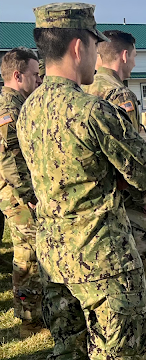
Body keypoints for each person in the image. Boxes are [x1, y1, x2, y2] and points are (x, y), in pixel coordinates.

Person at [18, 3, 146, 358]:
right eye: (95, 47)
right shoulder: (93, 111)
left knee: (68, 351)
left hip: (54, 259)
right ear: (79, 47)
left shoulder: (28, 109)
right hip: (103, 261)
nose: (97, 57)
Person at [82, 30, 146, 357]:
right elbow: (129, 160)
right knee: (136, 282)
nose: (135, 62)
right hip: (127, 205)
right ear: (123, 55)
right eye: (134, 55)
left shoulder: (87, 88)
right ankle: (138, 344)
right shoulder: (120, 97)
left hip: (97, 203)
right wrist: (142, 199)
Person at [0, 47, 45, 338]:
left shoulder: (18, 103)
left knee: (32, 253)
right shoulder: (8, 107)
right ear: (18, 75)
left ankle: (37, 313)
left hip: (20, 192)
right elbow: (8, 157)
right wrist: (27, 193)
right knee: (27, 256)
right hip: (18, 196)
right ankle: (29, 321)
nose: (38, 81)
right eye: (34, 75)